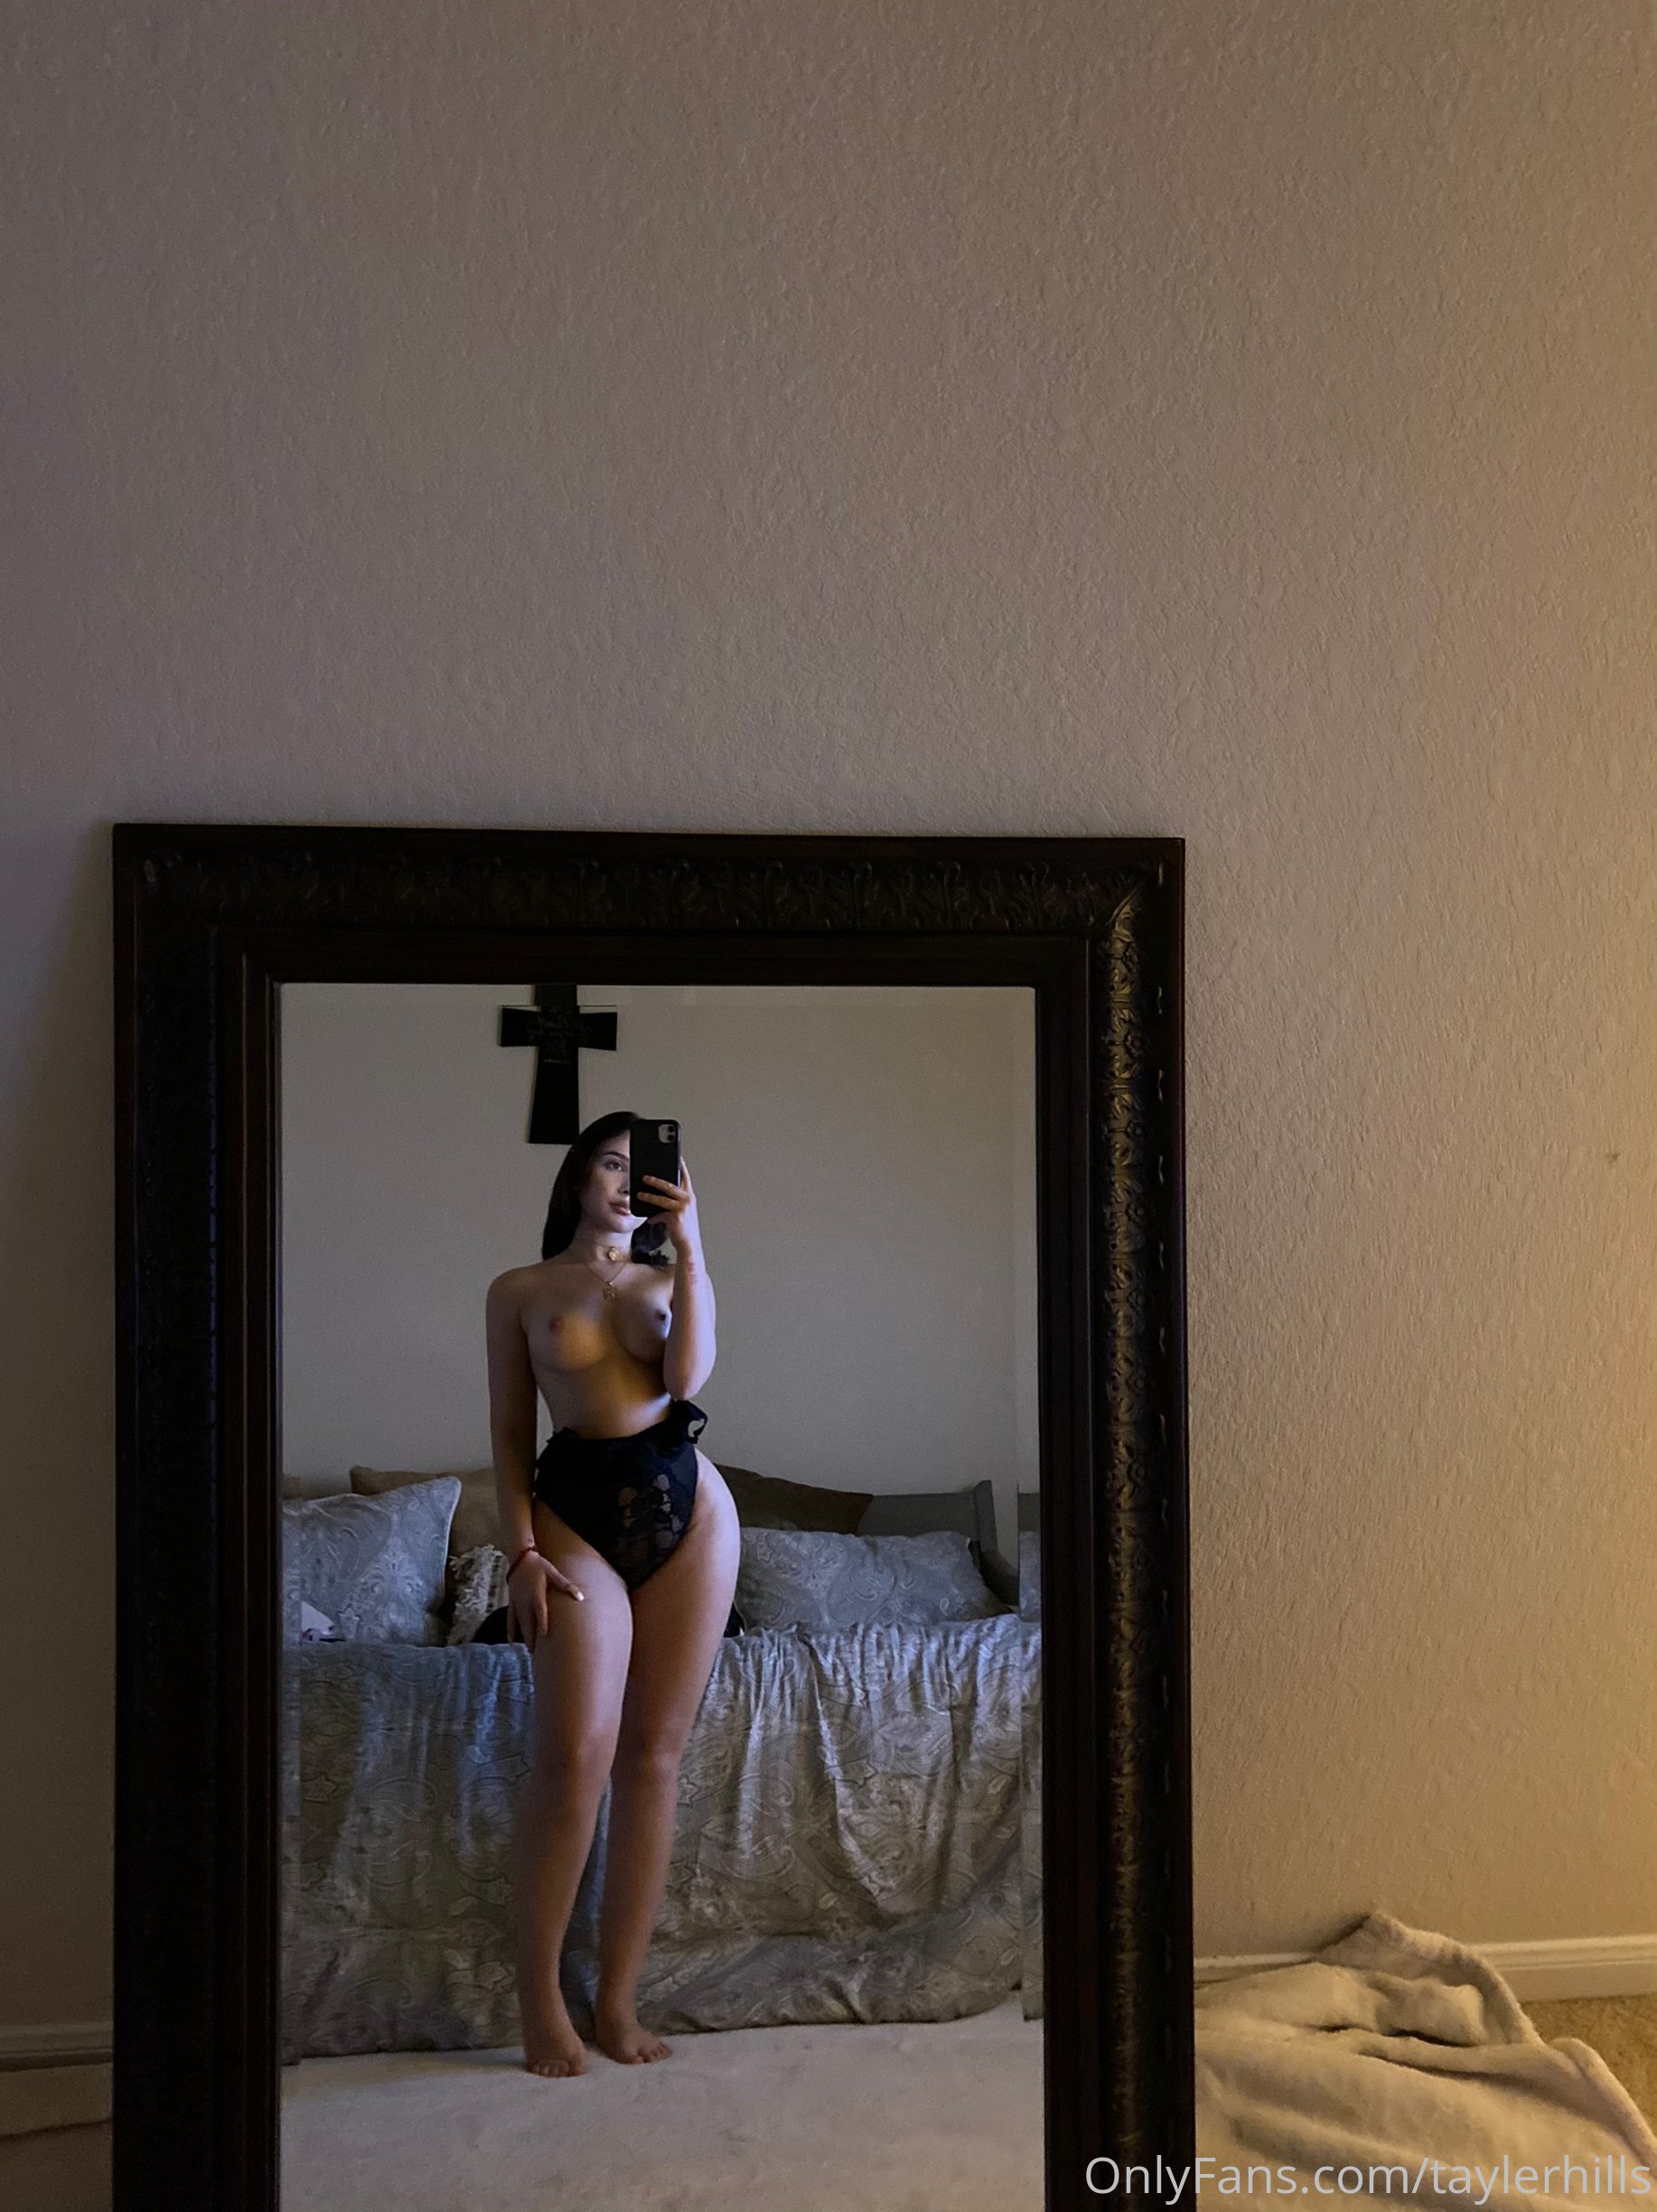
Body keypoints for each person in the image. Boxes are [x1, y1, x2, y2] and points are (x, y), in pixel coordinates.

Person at [484, 1110, 739, 2078]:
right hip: (573, 1509)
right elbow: (511, 1432)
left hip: (690, 1506)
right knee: (574, 1759)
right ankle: (539, 1996)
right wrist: (517, 1550)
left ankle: (619, 1998)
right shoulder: (519, 1289)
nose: (630, 1181)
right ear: (577, 1175)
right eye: (612, 1163)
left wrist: (693, 1245)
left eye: (648, 1169)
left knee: (654, 1758)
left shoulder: (673, 1279)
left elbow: (689, 1376)